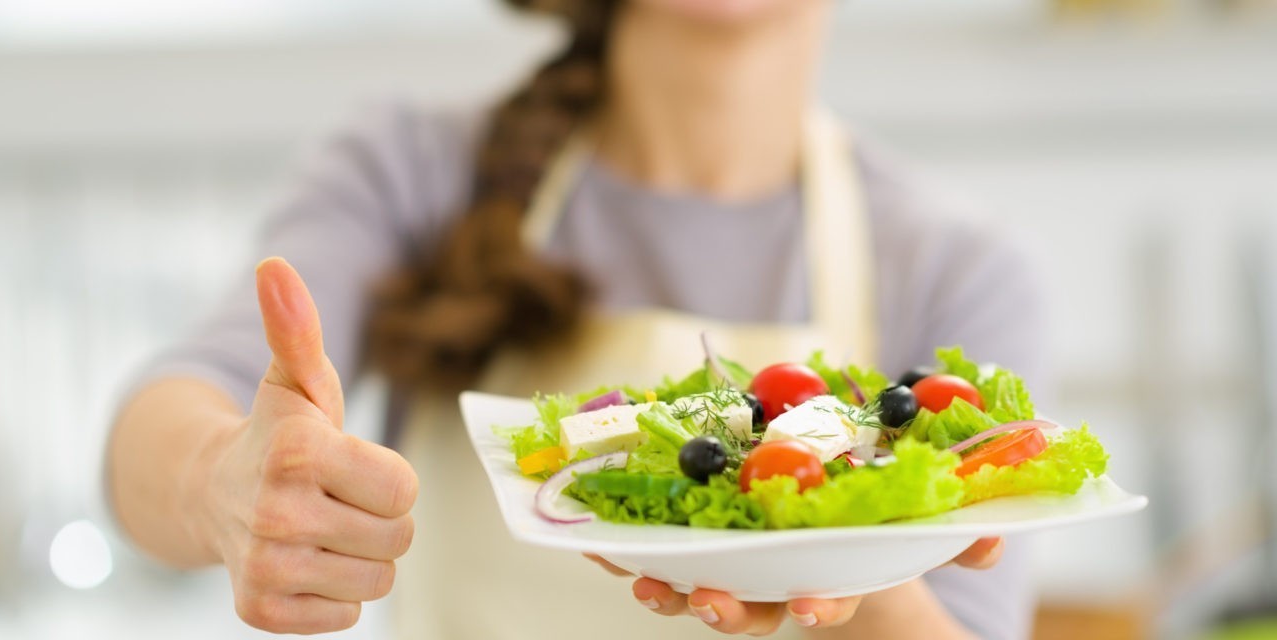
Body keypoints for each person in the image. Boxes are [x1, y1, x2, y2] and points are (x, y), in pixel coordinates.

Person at [106, 0, 1045, 638]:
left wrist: (842, 560)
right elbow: (168, 420)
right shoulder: (410, 169)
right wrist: (220, 486)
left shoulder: (955, 265)